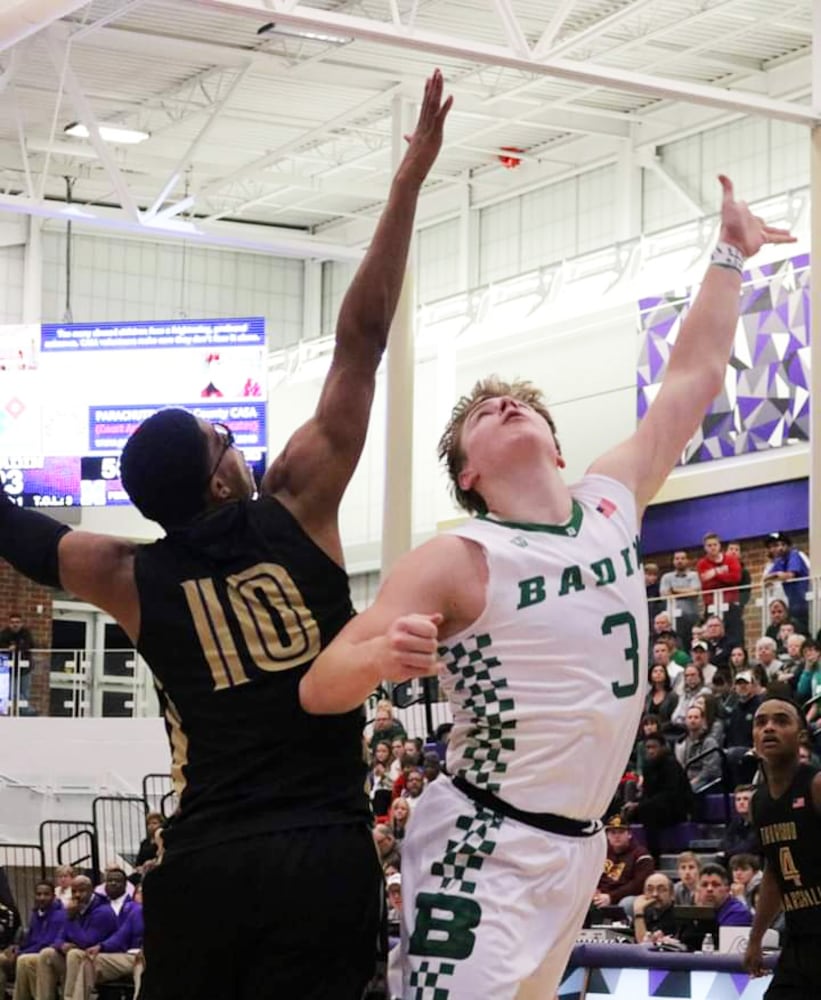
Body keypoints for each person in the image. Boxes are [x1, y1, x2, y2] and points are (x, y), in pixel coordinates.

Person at [0, 72, 452, 1000]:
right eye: (222, 437)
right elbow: (360, 341)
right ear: (218, 477)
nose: (236, 438)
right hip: (323, 848)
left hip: (207, 855)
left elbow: (15, 532)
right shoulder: (297, 500)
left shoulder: (125, 573)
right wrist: (406, 186)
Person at [299, 176, 793, 998]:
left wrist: (728, 252)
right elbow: (320, 686)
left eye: (516, 403)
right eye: (484, 413)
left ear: (556, 447)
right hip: (482, 842)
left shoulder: (610, 498)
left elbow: (693, 376)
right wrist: (384, 650)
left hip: (579, 847)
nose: (501, 403)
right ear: (469, 473)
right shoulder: (459, 555)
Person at [744, 696, 821, 996]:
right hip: (799, 938)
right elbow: (774, 873)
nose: (769, 728)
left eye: (781, 721)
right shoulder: (758, 803)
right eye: (761, 722)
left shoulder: (815, 785)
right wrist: (755, 939)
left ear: (801, 736)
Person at [11, 881, 66, 1000]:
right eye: (39, 894)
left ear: (53, 896)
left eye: (46, 894)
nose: (42, 898)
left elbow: (45, 943)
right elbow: (30, 939)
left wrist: (21, 953)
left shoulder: (59, 915)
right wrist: (18, 948)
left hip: (52, 956)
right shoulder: (36, 914)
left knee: (25, 960)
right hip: (35, 952)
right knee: (7, 959)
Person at [659, 551, 701, 650]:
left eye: (682, 558)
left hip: (690, 615)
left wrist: (674, 591)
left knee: (689, 642)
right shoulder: (666, 577)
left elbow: (694, 592)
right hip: (671, 617)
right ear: (673, 561)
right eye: (677, 559)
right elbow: (664, 595)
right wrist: (685, 592)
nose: (680, 561)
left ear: (687, 561)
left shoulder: (693, 575)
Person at [0, 612, 35, 713]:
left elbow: (31, 644)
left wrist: (17, 648)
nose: (15, 624)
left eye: (17, 622)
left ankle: (23, 713)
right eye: (12, 622)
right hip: (10, 669)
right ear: (9, 623)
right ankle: (27, 711)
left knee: (25, 693)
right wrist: (8, 648)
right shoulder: (4, 633)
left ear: (21, 623)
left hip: (25, 669)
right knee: (13, 692)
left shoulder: (26, 633)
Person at [633, 873, 676, 943]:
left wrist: (638, 913)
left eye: (661, 889)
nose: (655, 894)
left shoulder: (677, 916)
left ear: (672, 894)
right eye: (650, 890)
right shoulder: (644, 911)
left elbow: (643, 945)